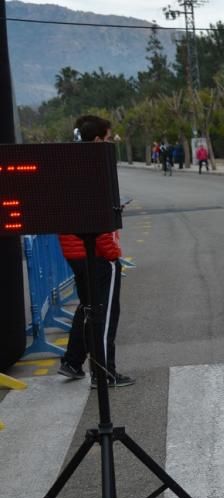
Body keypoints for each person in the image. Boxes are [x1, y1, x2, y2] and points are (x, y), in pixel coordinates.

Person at [57, 115, 135, 388]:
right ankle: (104, 374)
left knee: (88, 308)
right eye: (108, 137)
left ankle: (72, 361)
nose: (111, 142)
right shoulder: (95, 171)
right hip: (97, 254)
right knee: (104, 314)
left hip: (74, 251)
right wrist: (113, 254)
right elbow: (98, 221)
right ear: (98, 139)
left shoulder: (67, 168)